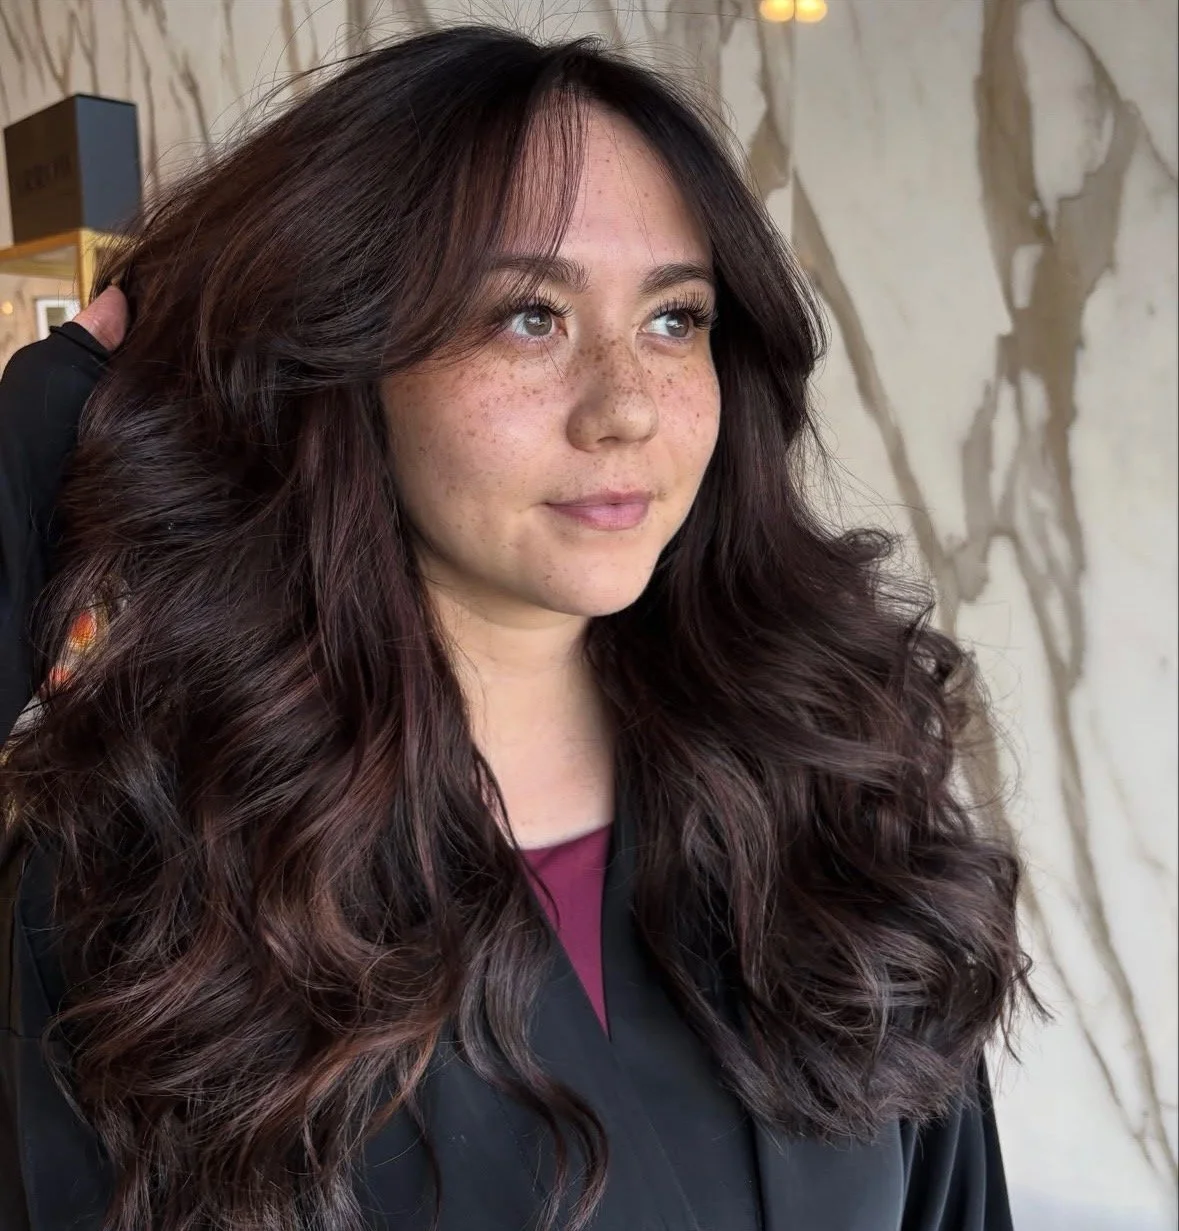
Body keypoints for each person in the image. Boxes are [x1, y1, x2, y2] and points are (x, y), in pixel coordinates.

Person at [0, 25, 1038, 1231]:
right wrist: (36, 457)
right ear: (346, 355)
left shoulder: (836, 783)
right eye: (527, 316)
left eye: (675, 318)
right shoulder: (153, 874)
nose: (626, 409)